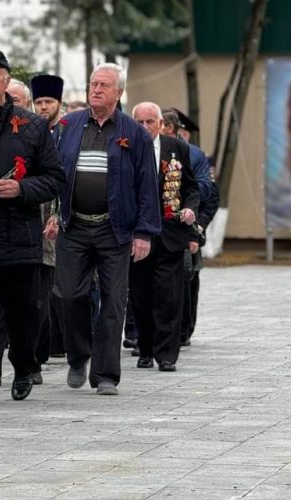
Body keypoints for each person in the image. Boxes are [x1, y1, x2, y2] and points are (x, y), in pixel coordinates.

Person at [0, 48, 64, 405]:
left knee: (23, 313)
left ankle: (23, 367)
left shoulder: (31, 124)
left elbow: (53, 178)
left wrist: (22, 189)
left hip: (19, 235)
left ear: (6, 81)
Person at [55, 63, 160, 396]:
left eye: (104, 85)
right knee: (69, 295)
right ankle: (78, 355)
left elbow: (147, 187)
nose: (96, 89)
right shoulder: (68, 125)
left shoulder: (135, 133)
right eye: (93, 83)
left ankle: (105, 375)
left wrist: (144, 233)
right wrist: (53, 213)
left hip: (115, 229)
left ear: (119, 92)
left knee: (114, 302)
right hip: (74, 226)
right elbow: (56, 174)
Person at [129, 102, 198, 371]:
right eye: (140, 122)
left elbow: (191, 186)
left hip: (170, 233)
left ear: (161, 124)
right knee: (141, 296)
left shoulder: (176, 148)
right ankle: (145, 347)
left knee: (169, 297)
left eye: (150, 122)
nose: (145, 127)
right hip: (138, 235)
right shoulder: (125, 146)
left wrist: (191, 208)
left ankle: (167, 354)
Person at [162, 108, 218, 345]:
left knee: (185, 279)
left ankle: (183, 331)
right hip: (157, 226)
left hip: (186, 225)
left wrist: (182, 192)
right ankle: (140, 335)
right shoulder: (146, 149)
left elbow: (209, 194)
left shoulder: (194, 156)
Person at [31, 73, 68, 371]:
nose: (43, 108)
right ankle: (38, 353)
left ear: (59, 103)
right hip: (33, 220)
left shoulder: (69, 133)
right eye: (39, 102)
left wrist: (59, 211)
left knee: (62, 289)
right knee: (38, 294)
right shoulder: (28, 131)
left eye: (48, 102)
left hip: (62, 220)